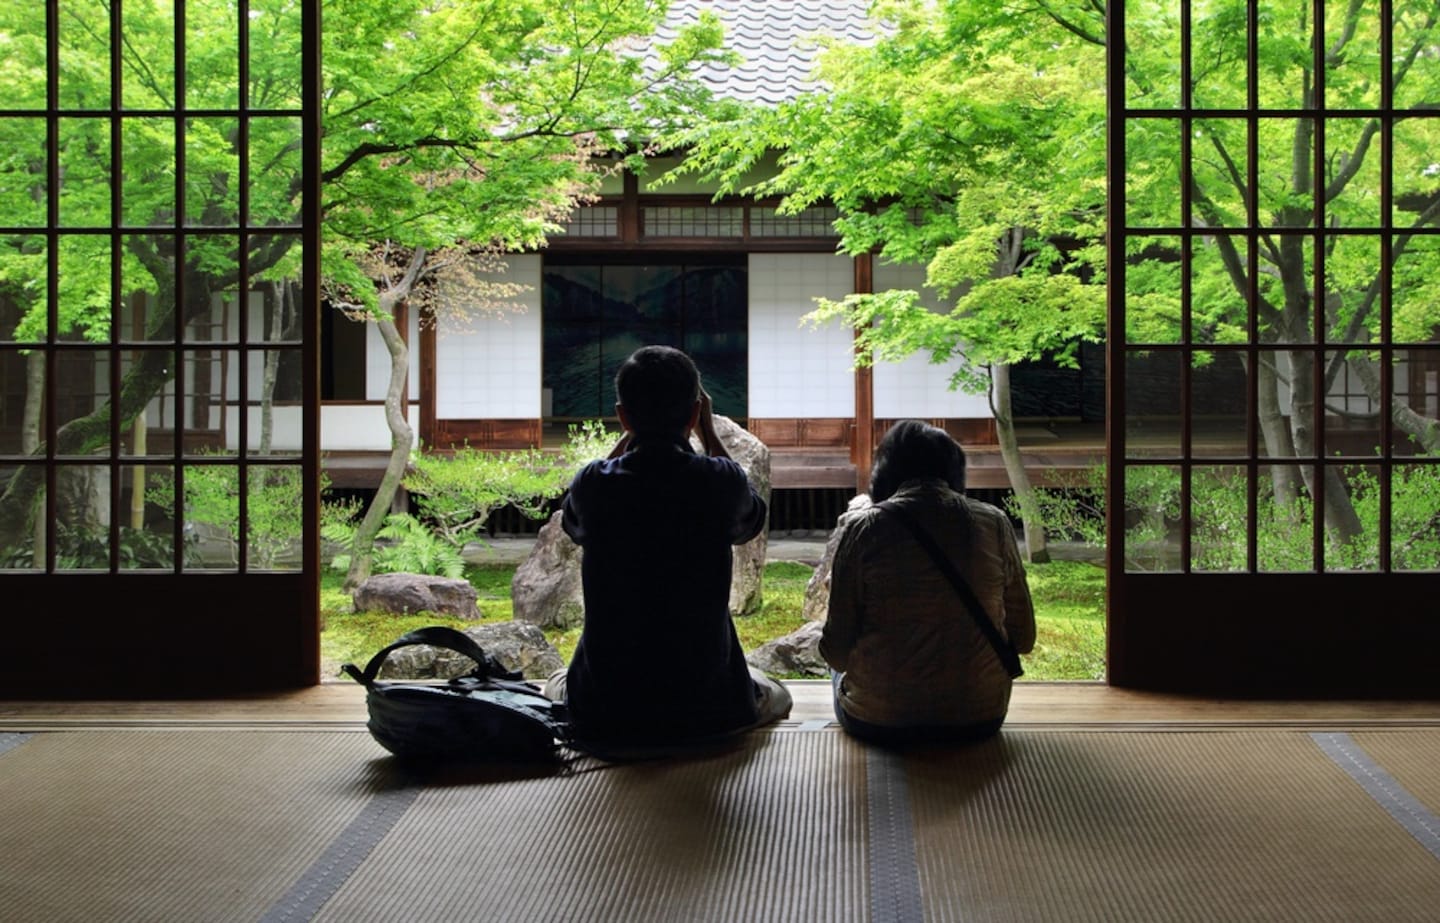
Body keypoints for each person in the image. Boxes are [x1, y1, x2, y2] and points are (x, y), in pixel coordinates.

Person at [543, 345, 792, 751]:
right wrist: (708, 432)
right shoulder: (718, 480)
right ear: (694, 414)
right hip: (708, 706)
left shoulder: (593, 483)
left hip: (608, 708)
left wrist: (632, 432)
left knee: (556, 683)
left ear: (623, 416)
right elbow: (749, 521)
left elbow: (574, 519)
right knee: (776, 691)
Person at [819, 419, 1036, 746]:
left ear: (885, 472)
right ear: (955, 471)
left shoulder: (864, 528)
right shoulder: (994, 523)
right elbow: (1024, 639)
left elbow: (835, 651)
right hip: (980, 716)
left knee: (838, 671)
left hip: (879, 720)